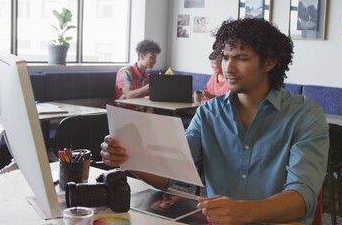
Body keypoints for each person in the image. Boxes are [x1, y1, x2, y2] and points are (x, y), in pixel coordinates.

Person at [101, 18, 329, 224]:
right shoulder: (208, 113)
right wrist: (129, 157)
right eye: (226, 57)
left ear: (269, 62)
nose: (228, 68)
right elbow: (172, 172)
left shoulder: (305, 116)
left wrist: (243, 212)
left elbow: (302, 197)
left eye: (241, 58)